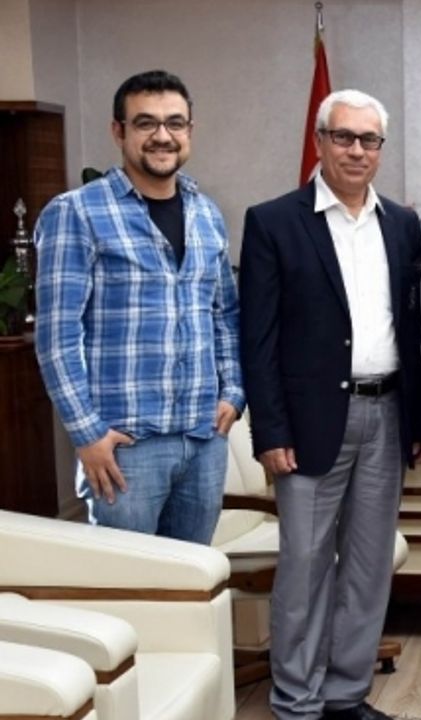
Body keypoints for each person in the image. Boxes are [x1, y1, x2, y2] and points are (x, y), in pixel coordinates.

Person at [238, 89, 421, 720]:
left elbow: (415, 326)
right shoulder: (273, 221)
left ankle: (345, 696)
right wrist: (270, 430)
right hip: (306, 425)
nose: (356, 150)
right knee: (303, 566)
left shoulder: (401, 224)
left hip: (387, 414)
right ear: (320, 141)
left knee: (369, 567)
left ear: (381, 149)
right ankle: (296, 703)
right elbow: (257, 339)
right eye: (343, 137)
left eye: (369, 139)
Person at [33, 69, 242, 544]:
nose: (162, 136)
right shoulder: (77, 212)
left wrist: (233, 392)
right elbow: (57, 338)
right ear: (119, 130)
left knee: (191, 580)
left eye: (174, 123)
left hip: (203, 441)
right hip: (124, 448)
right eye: (146, 123)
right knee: (129, 582)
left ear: (190, 131)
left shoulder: (206, 214)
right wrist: (87, 434)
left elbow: (225, 316)